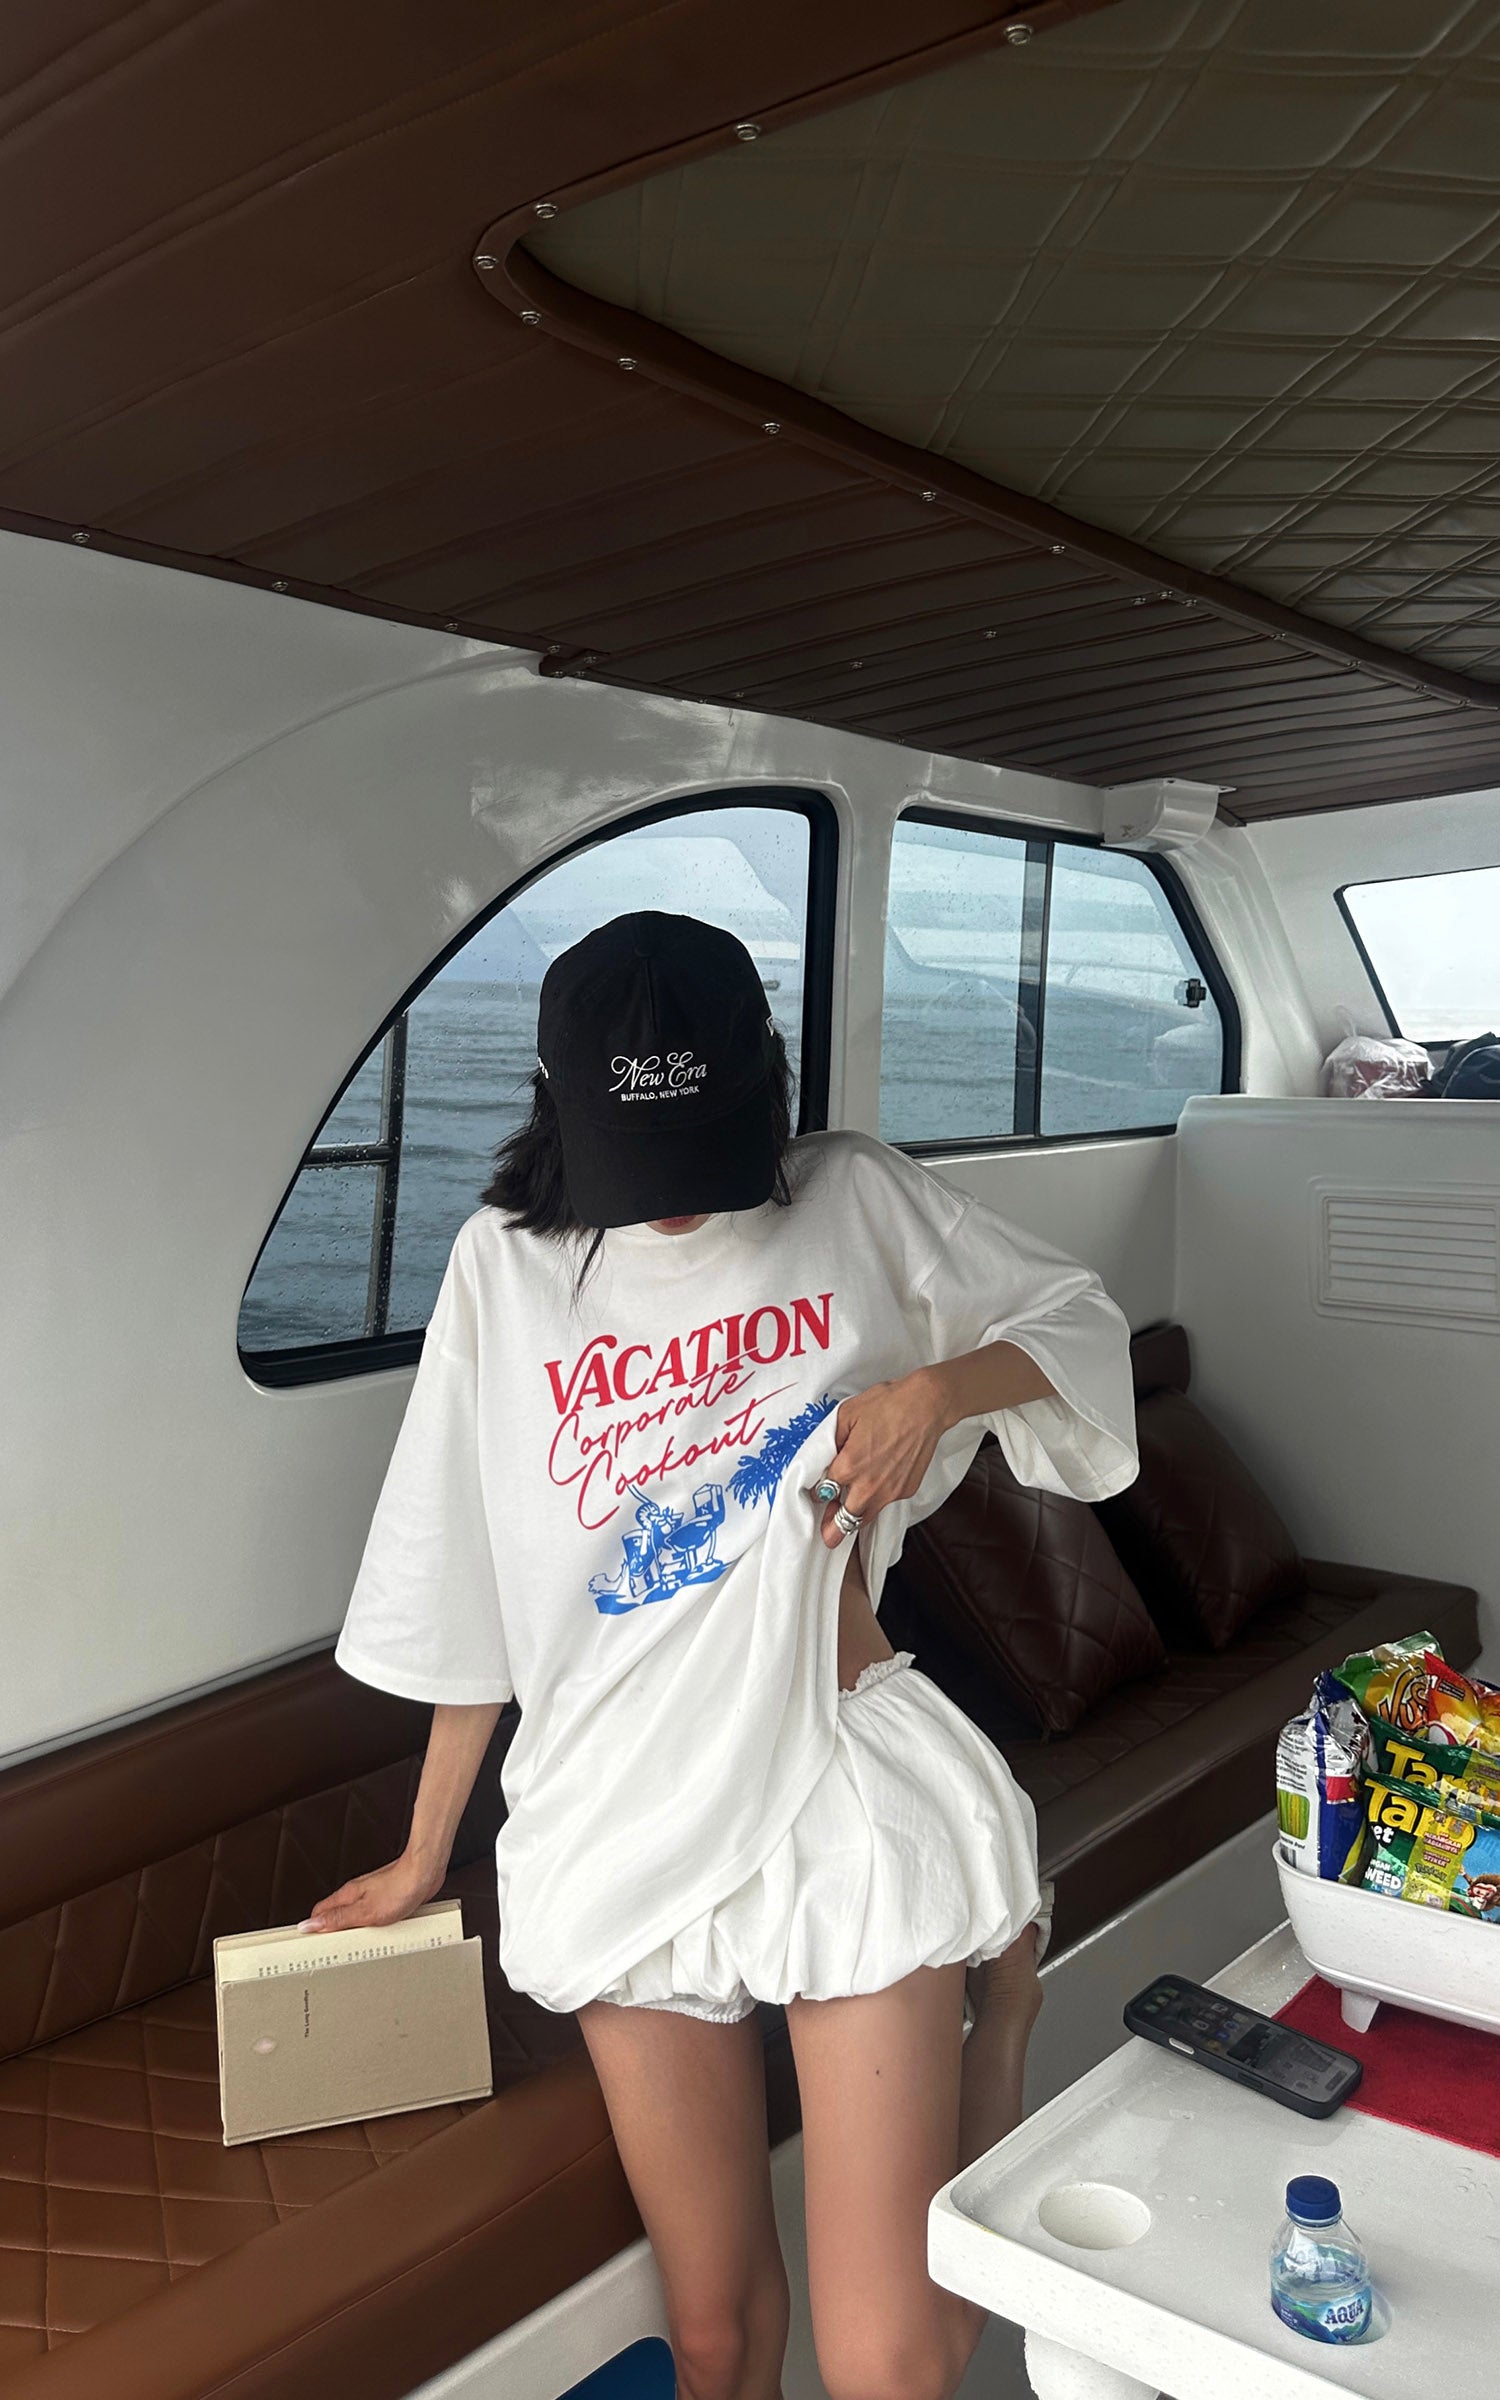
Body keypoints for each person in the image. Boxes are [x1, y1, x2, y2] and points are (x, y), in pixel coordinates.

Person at [308, 910, 1139, 2400]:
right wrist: (427, 1854)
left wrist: (939, 1390)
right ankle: (996, 1997)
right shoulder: (503, 1265)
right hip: (612, 1799)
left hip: (834, 1776)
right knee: (714, 2336)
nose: (680, 1210)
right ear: (559, 1109)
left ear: (763, 1090)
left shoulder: (855, 1196)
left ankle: (1005, 2009)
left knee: (887, 2367)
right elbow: (464, 1579)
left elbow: (1077, 1321)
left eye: (701, 1156)